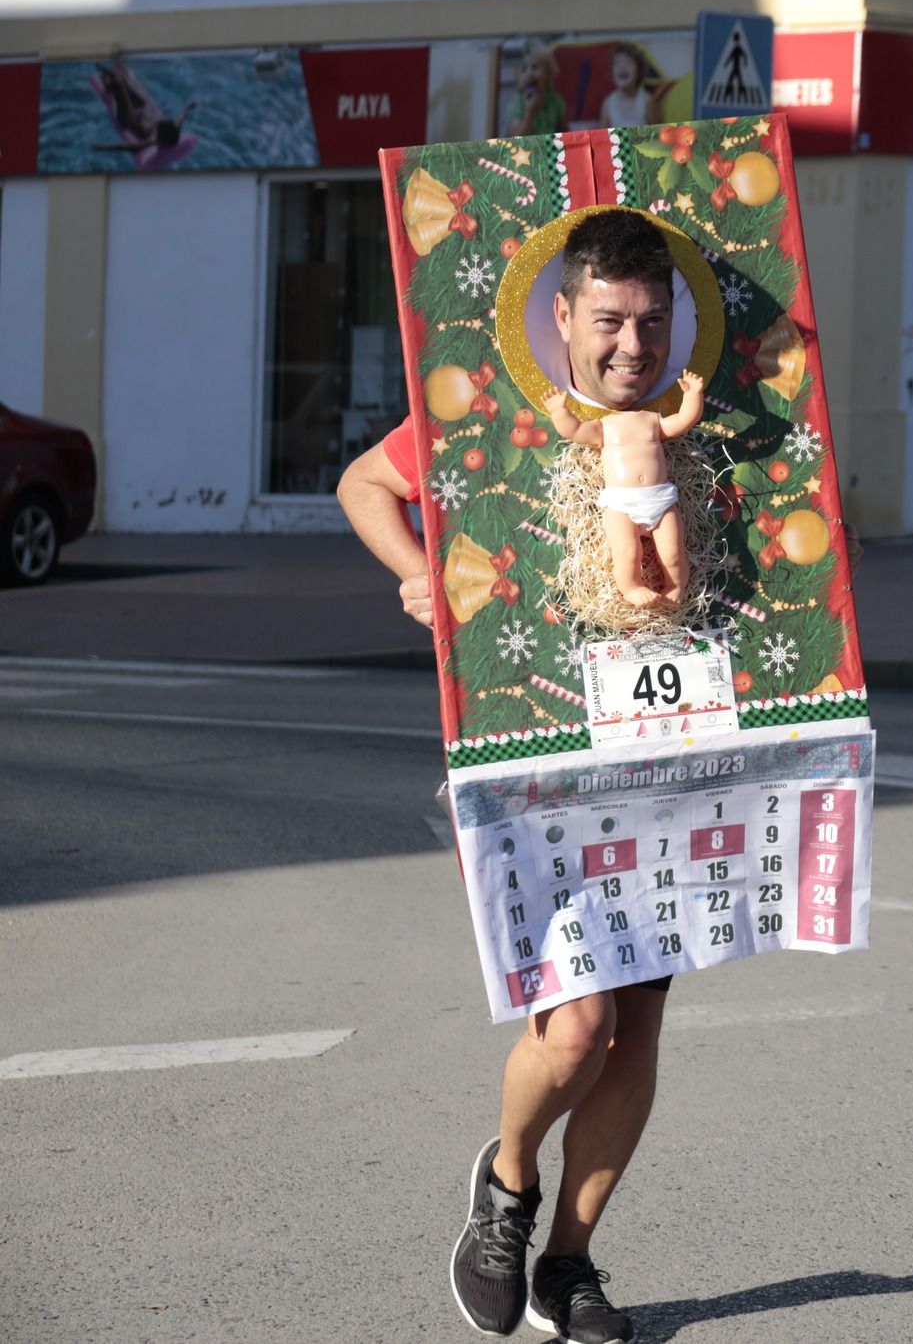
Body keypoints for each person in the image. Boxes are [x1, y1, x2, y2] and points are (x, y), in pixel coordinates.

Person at [337, 208, 686, 1343]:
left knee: (636, 1025)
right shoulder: (490, 409)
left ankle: (569, 1267)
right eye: (609, 322)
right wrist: (424, 576)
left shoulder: (710, 424)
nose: (633, 345)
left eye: (651, 319)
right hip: (530, 755)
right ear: (562, 317)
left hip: (668, 762)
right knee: (575, 1027)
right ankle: (507, 1183)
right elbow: (362, 487)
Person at [545, 368, 704, 608]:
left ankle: (675, 586)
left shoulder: (652, 420)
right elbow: (575, 431)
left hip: (659, 499)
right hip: (621, 504)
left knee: (672, 552)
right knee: (627, 551)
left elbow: (683, 420)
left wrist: (693, 396)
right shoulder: (602, 426)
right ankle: (631, 587)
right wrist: (559, 411)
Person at [599, 45, 655, 130]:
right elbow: (601, 138)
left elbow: (658, 135)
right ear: (612, 72)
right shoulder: (608, 104)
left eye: (628, 62)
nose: (622, 67)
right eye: (617, 63)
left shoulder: (647, 101)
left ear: (639, 71)